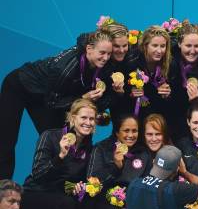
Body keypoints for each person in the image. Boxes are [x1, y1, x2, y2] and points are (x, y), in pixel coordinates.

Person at [0, 29, 115, 179]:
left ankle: (55, 183)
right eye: (102, 53)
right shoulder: (65, 69)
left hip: (49, 93)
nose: (106, 58)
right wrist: (82, 97)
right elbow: (52, 102)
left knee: (59, 138)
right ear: (89, 49)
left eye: (109, 53)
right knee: (6, 141)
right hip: (20, 86)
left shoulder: (101, 63)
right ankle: (3, 189)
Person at [19, 99, 97, 209]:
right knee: (66, 204)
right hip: (34, 194)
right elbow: (38, 175)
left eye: (92, 119)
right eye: (84, 117)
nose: (88, 122)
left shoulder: (88, 147)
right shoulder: (50, 136)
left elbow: (74, 180)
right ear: (72, 118)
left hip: (59, 194)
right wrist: (60, 156)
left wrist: (78, 186)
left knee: (88, 204)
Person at [86, 114, 149, 209]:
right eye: (126, 131)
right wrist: (115, 166)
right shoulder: (101, 148)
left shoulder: (143, 152)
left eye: (134, 131)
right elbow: (92, 183)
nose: (130, 135)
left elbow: (146, 182)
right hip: (104, 201)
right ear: (117, 133)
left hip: (132, 201)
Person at [167, 21, 198, 141]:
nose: (192, 51)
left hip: (189, 124)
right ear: (179, 43)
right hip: (166, 115)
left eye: (197, 46)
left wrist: (197, 100)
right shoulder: (167, 58)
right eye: (188, 46)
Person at [119, 26, 173, 122]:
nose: (159, 51)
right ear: (145, 46)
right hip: (132, 115)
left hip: (157, 116)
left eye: (163, 46)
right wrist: (130, 93)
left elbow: (173, 99)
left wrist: (168, 94)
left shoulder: (170, 64)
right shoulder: (131, 63)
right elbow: (120, 96)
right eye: (155, 45)